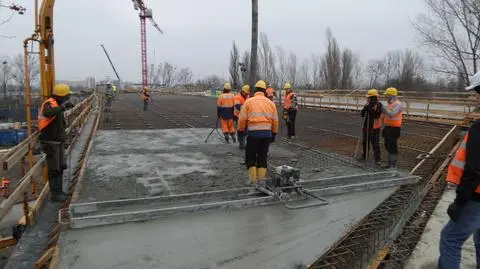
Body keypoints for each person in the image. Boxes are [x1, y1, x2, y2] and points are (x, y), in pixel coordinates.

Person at [438, 72, 480, 269]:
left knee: (450, 239)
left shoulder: (479, 128)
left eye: (476, 92)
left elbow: (474, 170)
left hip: (476, 197)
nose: (474, 97)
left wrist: (460, 202)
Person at [237, 80, 278, 185]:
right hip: (266, 134)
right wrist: (274, 134)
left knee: (250, 156)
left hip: (253, 134)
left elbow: (242, 119)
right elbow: (275, 120)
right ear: (265, 90)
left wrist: (240, 131)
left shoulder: (249, 102)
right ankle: (261, 180)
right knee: (262, 156)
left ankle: (253, 180)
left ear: (255, 90)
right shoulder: (271, 103)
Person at [38, 84, 73, 202]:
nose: (68, 98)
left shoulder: (57, 104)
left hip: (57, 141)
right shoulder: (49, 103)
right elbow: (48, 113)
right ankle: (55, 194)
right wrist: (62, 108)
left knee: (60, 167)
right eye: (67, 96)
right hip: (50, 142)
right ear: (62, 95)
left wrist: (63, 107)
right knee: (54, 169)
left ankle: (59, 191)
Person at [360, 89, 383, 165]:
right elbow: (362, 114)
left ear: (373, 97)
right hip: (366, 126)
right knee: (365, 142)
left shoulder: (379, 105)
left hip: (374, 127)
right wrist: (365, 108)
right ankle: (364, 155)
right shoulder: (367, 104)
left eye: (369, 97)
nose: (367, 98)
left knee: (375, 143)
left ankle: (377, 159)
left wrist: (368, 108)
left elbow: (376, 115)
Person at [382, 87, 402, 169]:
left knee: (392, 146)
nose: (386, 96)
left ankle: (393, 165)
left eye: (387, 95)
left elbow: (392, 114)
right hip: (388, 128)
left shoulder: (398, 104)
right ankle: (390, 164)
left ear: (391, 95)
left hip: (394, 129)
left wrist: (383, 108)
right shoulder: (390, 104)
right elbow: (386, 115)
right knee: (388, 145)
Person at [234, 85, 250, 149]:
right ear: (242, 91)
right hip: (238, 116)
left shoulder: (248, 97)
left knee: (246, 130)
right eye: (246, 93)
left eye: (247, 93)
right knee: (240, 130)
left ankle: (243, 141)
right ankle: (241, 142)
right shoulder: (237, 97)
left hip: (246, 116)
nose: (246, 94)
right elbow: (238, 106)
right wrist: (247, 108)